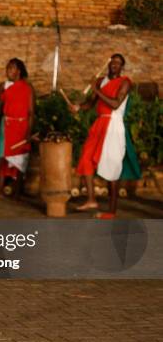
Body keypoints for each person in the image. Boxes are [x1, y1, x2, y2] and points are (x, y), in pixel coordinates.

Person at [70, 53, 141, 219]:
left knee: (112, 168)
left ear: (121, 66)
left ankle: (112, 211)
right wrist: (78, 107)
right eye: (112, 62)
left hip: (113, 125)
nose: (114, 65)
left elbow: (115, 104)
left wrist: (97, 90)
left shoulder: (125, 82)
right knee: (86, 158)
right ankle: (91, 199)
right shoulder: (101, 81)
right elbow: (91, 103)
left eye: (118, 62)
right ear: (108, 64)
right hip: (99, 124)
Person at [0, 58, 35, 199]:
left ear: (19, 71)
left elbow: (30, 112)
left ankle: (17, 191)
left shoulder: (27, 88)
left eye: (11, 68)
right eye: (7, 68)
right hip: (8, 124)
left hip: (22, 126)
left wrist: (28, 133)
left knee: (21, 157)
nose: (8, 71)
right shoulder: (5, 86)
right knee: (2, 156)